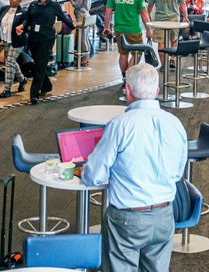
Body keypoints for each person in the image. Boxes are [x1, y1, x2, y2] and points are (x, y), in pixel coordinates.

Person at [82, 63, 187, 272]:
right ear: (157, 91)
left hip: (127, 218)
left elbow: (93, 176)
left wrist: (86, 169)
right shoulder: (175, 123)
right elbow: (177, 173)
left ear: (127, 89)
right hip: (165, 215)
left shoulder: (120, 124)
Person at [16, 0, 74, 104]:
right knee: (39, 65)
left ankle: (34, 94)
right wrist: (22, 26)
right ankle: (47, 85)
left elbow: (63, 18)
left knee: (40, 66)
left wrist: (72, 25)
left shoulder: (54, 6)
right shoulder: (33, 5)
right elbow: (28, 19)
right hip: (33, 38)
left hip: (46, 39)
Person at [103, 0, 152, 87]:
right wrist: (148, 30)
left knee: (123, 53)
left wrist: (106, 27)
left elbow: (108, 12)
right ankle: (129, 76)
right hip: (133, 29)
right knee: (138, 52)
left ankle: (124, 77)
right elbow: (144, 15)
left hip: (119, 29)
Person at [0, 0, 27, 98]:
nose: (11, 0)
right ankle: (22, 80)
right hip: (6, 40)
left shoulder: (23, 12)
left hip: (17, 42)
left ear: (19, 1)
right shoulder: (4, 9)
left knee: (9, 62)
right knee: (12, 62)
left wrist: (21, 27)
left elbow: (25, 23)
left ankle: (7, 89)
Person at [146, 0, 188, 68]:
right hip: (174, 19)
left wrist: (147, 16)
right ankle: (172, 59)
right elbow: (183, 5)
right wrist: (186, 17)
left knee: (161, 43)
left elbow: (150, 5)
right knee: (174, 40)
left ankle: (164, 65)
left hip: (160, 20)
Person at [65, 0, 92, 66]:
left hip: (81, 16)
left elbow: (76, 5)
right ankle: (86, 58)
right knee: (85, 38)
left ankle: (83, 59)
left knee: (81, 39)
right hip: (87, 15)